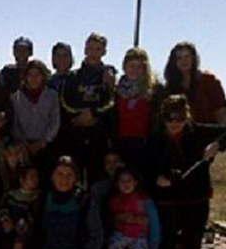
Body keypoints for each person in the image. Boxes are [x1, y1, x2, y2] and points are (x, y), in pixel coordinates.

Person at [145, 95, 226, 249]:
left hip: (195, 200)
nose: (175, 122)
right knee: (166, 247)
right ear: (163, 118)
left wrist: (218, 144)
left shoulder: (198, 131)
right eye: (170, 118)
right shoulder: (156, 138)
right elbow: (145, 166)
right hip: (167, 202)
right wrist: (157, 179)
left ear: (187, 115)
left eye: (179, 117)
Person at [57, 33, 116, 185]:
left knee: (97, 179)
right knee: (73, 177)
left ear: (104, 52)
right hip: (75, 134)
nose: (94, 52)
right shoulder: (73, 76)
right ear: (85, 49)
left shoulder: (108, 76)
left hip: (98, 136)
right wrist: (79, 117)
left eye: (98, 49)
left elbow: (111, 102)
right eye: (90, 48)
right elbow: (64, 102)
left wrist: (93, 114)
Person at [10, 59, 60, 169]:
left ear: (43, 76)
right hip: (24, 146)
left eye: (37, 75)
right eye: (30, 75)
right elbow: (15, 123)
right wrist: (23, 143)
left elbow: (55, 121)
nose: (34, 78)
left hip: (47, 145)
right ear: (25, 77)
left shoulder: (52, 95)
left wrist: (44, 141)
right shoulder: (16, 97)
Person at [113, 48, 158, 169]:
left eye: (139, 67)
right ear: (125, 66)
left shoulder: (153, 90)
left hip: (145, 145)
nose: (135, 70)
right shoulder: (117, 90)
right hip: (120, 144)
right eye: (131, 66)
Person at [162, 41, 226, 124]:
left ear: (193, 58)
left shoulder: (209, 81)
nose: (184, 61)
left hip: (210, 132)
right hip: (185, 134)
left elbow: (221, 112)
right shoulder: (171, 87)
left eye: (187, 56)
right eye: (179, 58)